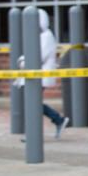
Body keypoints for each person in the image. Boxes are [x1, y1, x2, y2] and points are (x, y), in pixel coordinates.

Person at [15, 9, 70, 139]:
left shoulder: (46, 36)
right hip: (35, 74)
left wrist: (23, 61)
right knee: (33, 103)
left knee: (32, 103)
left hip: (39, 75)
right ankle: (57, 120)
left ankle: (35, 133)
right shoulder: (39, 35)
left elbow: (39, 56)